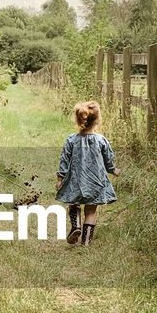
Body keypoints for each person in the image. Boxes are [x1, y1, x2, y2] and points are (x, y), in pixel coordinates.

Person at [55, 100, 118, 245]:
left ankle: (76, 225)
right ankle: (86, 242)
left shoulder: (71, 140)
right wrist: (113, 170)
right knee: (91, 211)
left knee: (74, 204)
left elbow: (64, 160)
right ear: (97, 121)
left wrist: (60, 179)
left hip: (76, 180)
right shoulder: (101, 140)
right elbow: (109, 159)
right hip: (95, 181)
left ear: (78, 120)